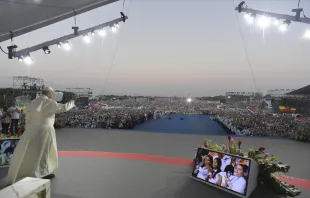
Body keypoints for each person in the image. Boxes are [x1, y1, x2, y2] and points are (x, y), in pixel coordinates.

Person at [2, 87, 75, 186]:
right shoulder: (48, 102)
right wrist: (72, 102)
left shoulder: (34, 102)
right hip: (45, 131)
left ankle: (27, 171)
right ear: (49, 94)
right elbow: (62, 108)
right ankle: (41, 173)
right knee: (45, 152)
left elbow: (28, 117)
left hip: (31, 131)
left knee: (31, 152)